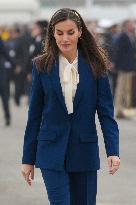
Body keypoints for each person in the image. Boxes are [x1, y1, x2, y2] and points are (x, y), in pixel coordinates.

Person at [21, 8, 120, 205]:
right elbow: (34, 115)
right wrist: (27, 159)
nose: (65, 38)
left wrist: (113, 151)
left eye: (70, 32)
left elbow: (106, 114)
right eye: (59, 33)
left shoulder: (96, 65)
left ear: (80, 32)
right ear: (52, 33)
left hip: (84, 152)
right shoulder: (41, 65)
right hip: (51, 152)